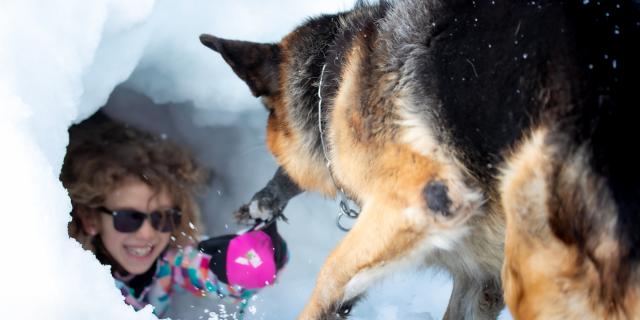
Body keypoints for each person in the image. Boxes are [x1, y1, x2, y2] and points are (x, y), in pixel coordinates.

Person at [60, 113, 287, 318]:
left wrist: (250, 261)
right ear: (91, 219)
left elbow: (212, 275)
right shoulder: (74, 277)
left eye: (163, 218)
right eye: (129, 218)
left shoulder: (167, 264)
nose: (147, 233)